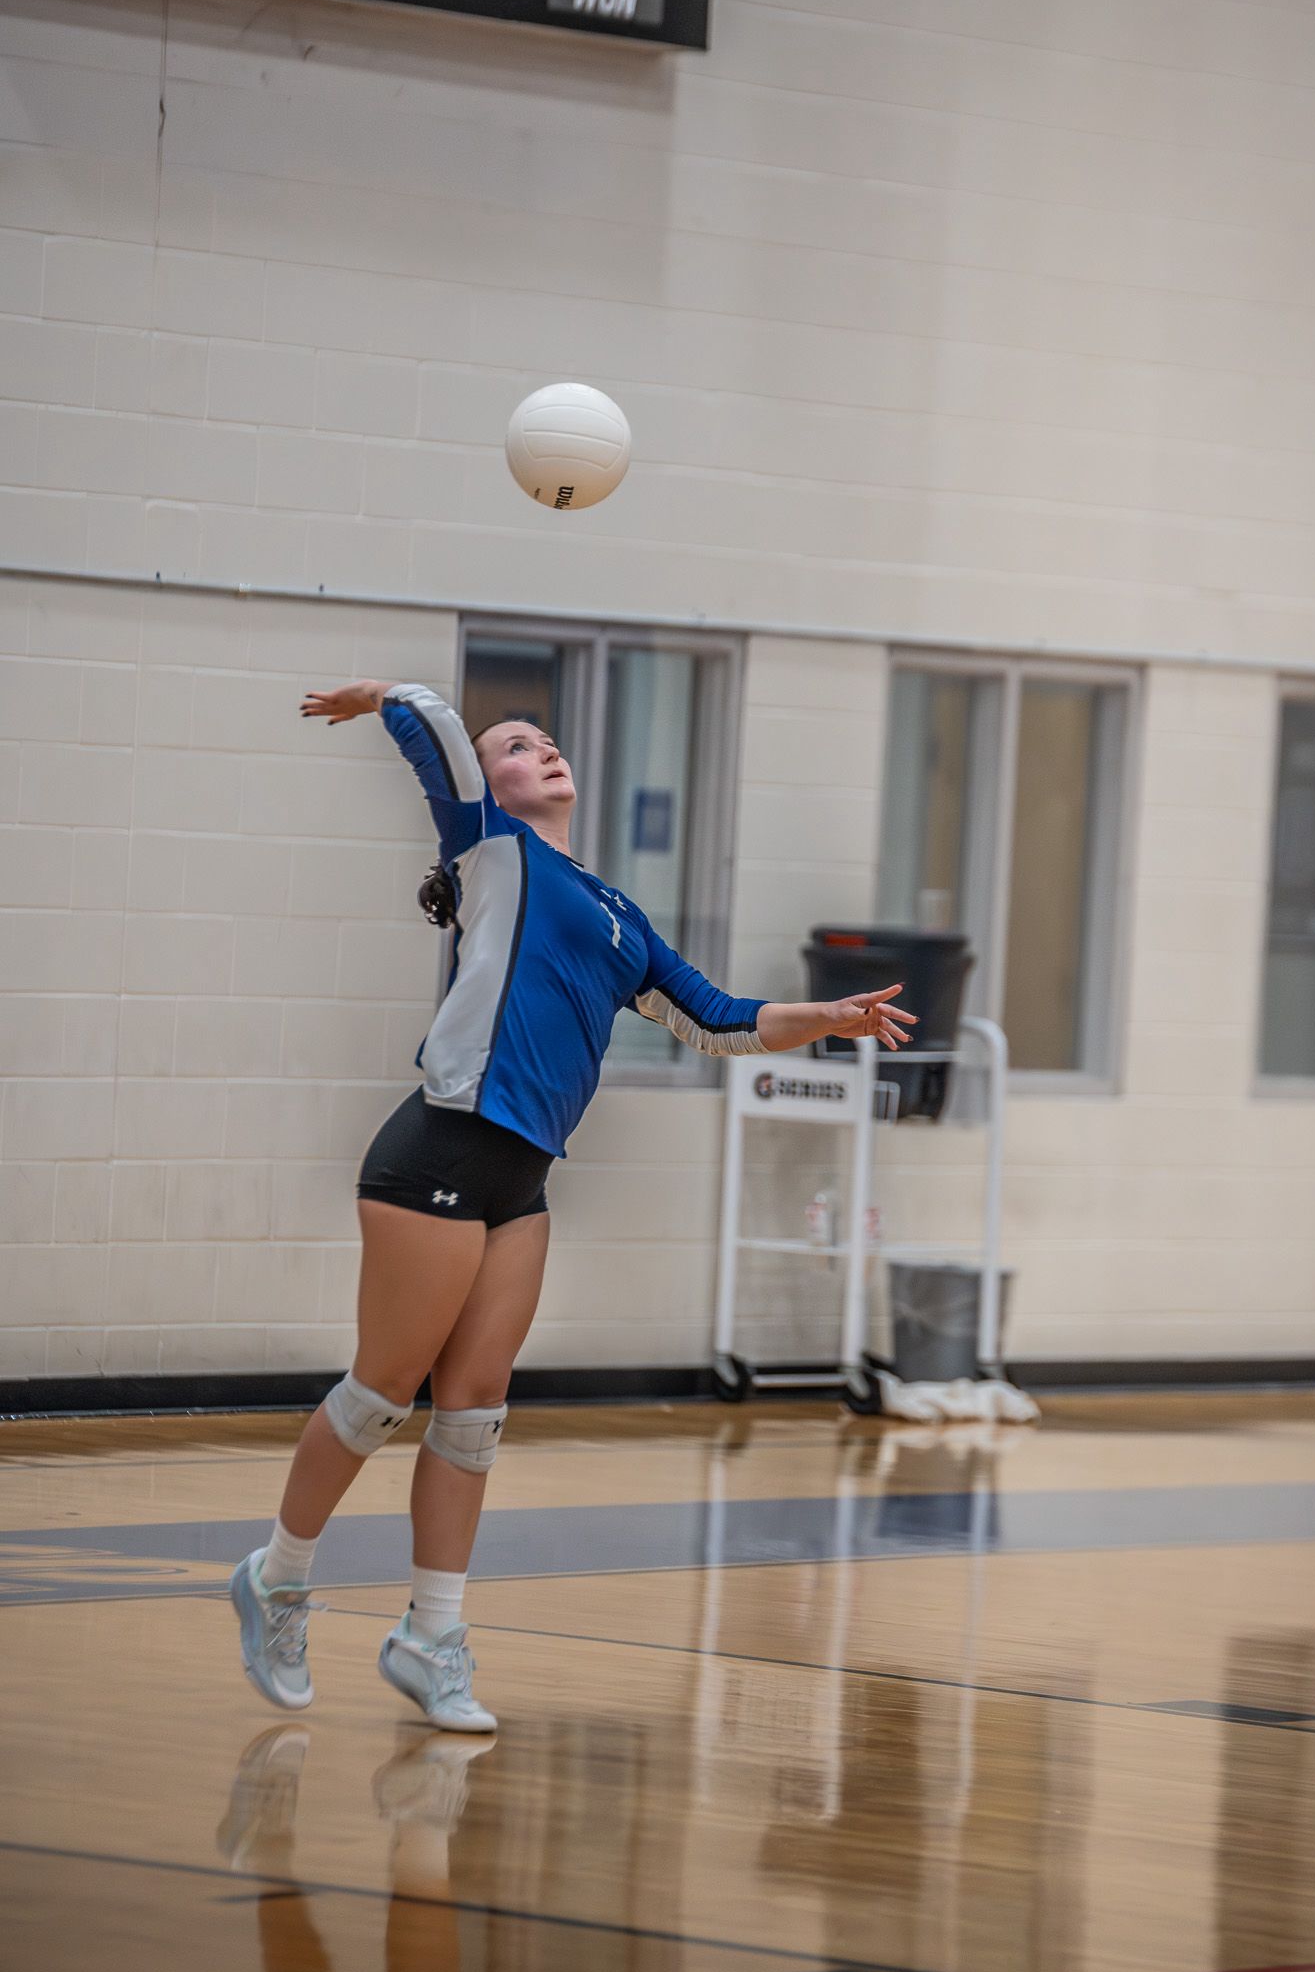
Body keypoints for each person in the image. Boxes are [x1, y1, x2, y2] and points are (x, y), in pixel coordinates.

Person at [230, 678, 915, 1731]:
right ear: (491, 783)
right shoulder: (492, 849)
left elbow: (720, 1020)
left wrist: (829, 1013)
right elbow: (431, 737)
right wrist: (389, 695)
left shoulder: (618, 913)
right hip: (438, 1152)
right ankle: (277, 1577)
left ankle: (431, 1635)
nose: (539, 748)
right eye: (516, 743)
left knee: (472, 1418)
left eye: (545, 739)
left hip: (523, 1180)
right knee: (380, 1394)